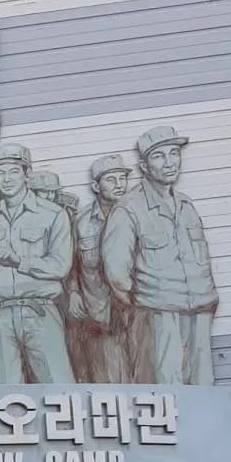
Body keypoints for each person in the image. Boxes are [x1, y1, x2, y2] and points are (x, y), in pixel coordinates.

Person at [101, 125, 218, 385]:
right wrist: (145, 304)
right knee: (168, 387)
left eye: (174, 153)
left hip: (199, 309)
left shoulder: (186, 205)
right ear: (143, 166)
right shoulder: (128, 209)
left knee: (204, 385)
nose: (169, 163)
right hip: (159, 314)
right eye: (158, 156)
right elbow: (116, 272)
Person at [0, 143, 74, 385]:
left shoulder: (53, 214)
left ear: (27, 174)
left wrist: (18, 260)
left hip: (40, 311)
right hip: (0, 315)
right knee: (8, 393)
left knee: (58, 386)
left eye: (13, 171)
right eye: (0, 173)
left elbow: (60, 266)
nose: (6, 179)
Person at [71, 153, 132, 383]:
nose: (119, 185)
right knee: (108, 382)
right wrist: (74, 293)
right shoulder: (82, 222)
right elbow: (72, 265)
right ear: (96, 186)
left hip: (136, 313)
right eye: (111, 179)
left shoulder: (140, 216)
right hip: (99, 314)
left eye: (122, 178)